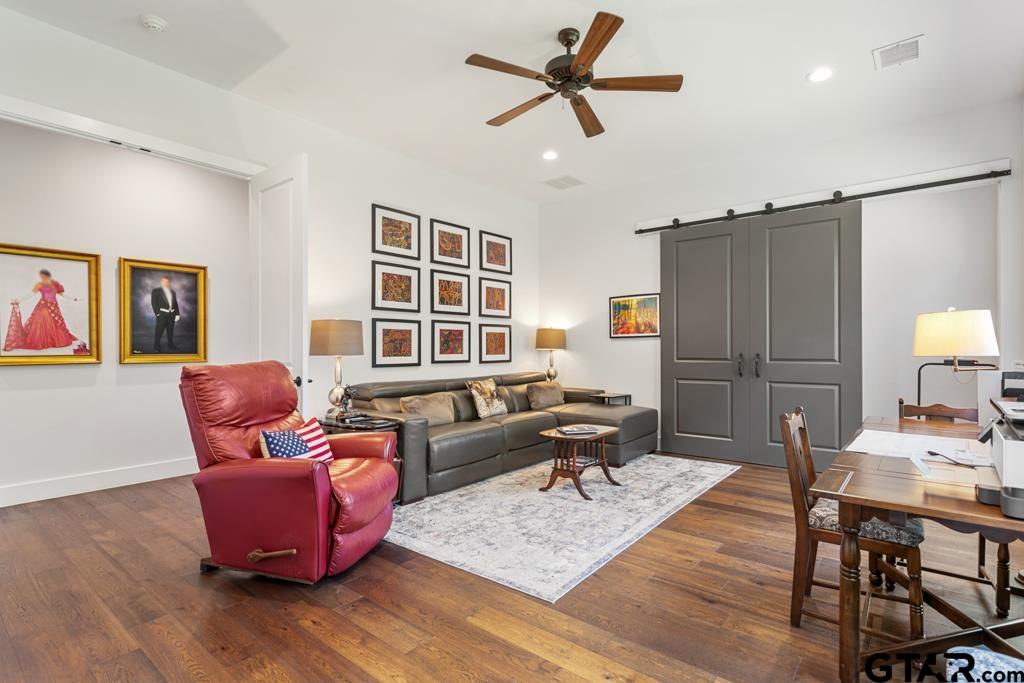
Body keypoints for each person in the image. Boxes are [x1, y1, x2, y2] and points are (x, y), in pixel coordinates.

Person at [4, 269, 79, 351]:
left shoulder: (55, 284)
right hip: (43, 305)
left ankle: (52, 341)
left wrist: (73, 299)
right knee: (41, 322)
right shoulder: (39, 284)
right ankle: (43, 341)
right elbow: (31, 294)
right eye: (41, 276)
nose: (42, 278)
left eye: (43, 276)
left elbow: (62, 294)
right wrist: (19, 300)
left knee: (54, 323)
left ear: (48, 276)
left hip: (54, 307)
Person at [150, 275, 180, 352]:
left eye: (167, 281)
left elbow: (175, 303)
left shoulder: (173, 292)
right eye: (164, 281)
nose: (165, 283)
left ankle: (170, 344)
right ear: (161, 282)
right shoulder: (156, 291)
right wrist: (157, 314)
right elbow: (153, 303)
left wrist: (177, 314)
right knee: (159, 331)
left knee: (170, 331)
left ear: (169, 282)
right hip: (162, 314)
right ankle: (157, 347)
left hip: (172, 314)